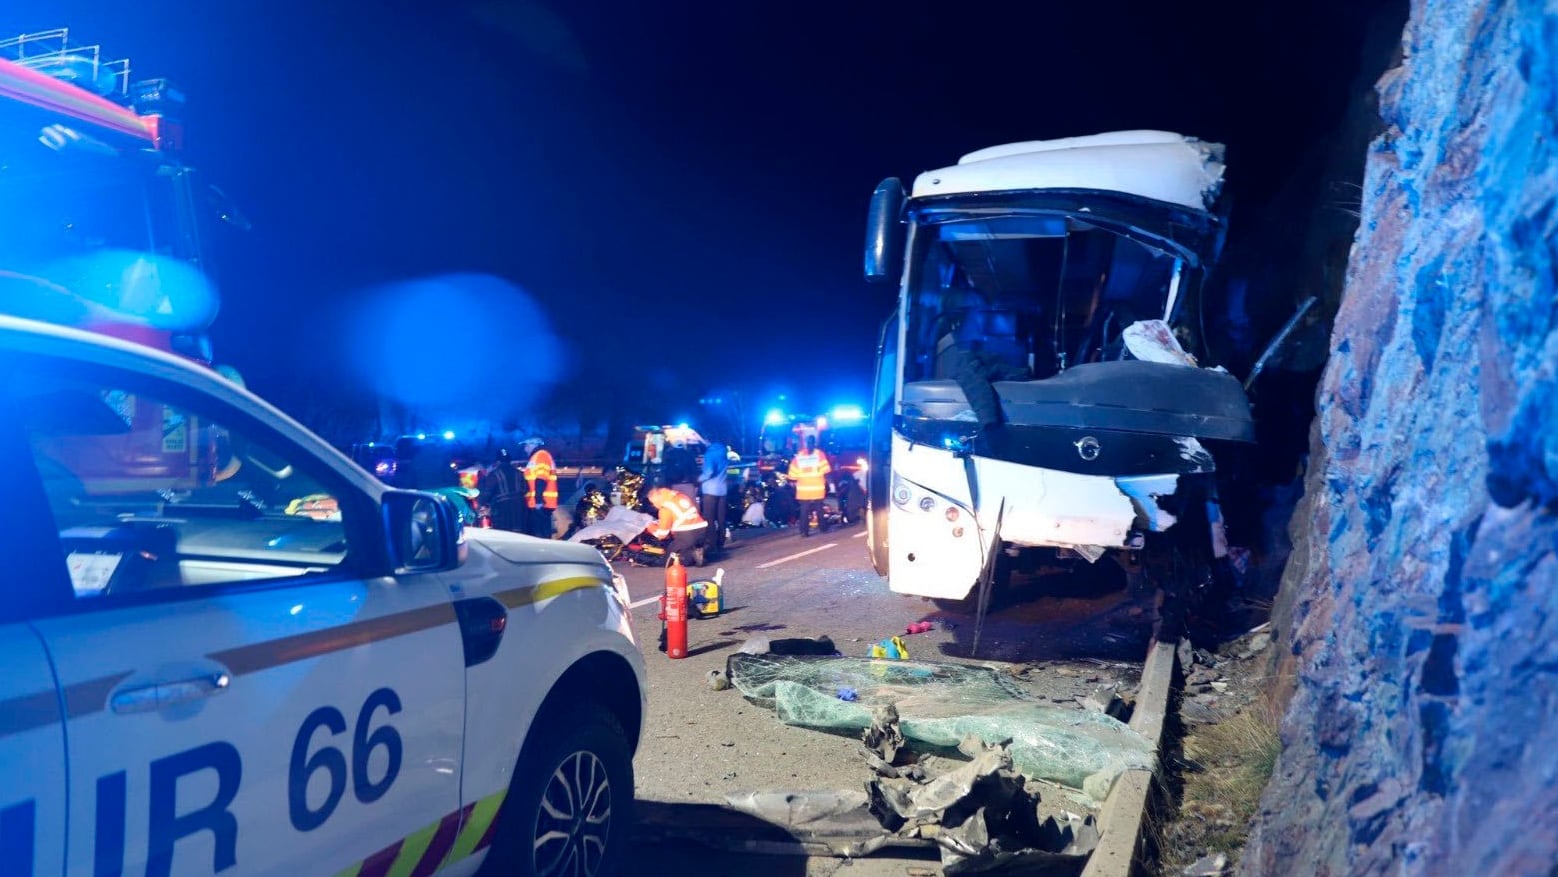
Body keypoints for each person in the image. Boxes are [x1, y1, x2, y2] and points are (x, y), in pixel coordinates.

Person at [645, 487, 707, 566]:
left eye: (654, 503)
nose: (654, 505)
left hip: (686, 534)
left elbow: (662, 534)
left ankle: (692, 555)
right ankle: (698, 550)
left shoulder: (665, 507)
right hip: (701, 529)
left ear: (658, 499)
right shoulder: (679, 496)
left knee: (668, 560)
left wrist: (650, 527)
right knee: (684, 547)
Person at [787, 434, 831, 537]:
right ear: (814, 443)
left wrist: (796, 479)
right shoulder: (819, 454)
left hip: (803, 489)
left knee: (804, 510)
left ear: (806, 443)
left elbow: (792, 474)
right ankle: (823, 528)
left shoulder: (799, 456)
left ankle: (804, 531)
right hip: (817, 487)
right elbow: (826, 469)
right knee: (819, 508)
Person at [479, 448, 526, 532]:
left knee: (504, 533)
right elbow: (525, 489)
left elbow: (487, 492)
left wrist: (483, 503)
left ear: (497, 462)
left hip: (501, 510)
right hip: (519, 509)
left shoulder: (494, 474)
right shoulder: (520, 473)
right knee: (519, 532)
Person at [698, 434, 730, 557]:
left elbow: (709, 472)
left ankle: (712, 544)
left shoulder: (709, 453)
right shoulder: (723, 450)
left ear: (707, 440)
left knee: (709, 518)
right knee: (721, 518)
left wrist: (699, 479)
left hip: (710, 490)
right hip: (722, 489)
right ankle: (721, 542)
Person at [520, 437, 558, 538]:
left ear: (533, 445)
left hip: (540, 504)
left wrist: (538, 501)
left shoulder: (541, 455)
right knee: (539, 535)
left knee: (539, 536)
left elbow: (541, 479)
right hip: (538, 503)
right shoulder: (538, 456)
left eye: (526, 446)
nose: (525, 449)